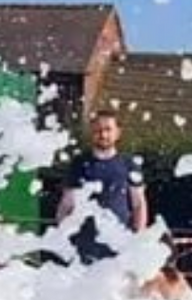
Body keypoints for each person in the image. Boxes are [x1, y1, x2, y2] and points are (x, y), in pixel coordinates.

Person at [55, 107, 148, 262]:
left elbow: (139, 204)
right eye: (98, 130)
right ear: (92, 132)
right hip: (84, 247)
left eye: (108, 129)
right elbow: (66, 204)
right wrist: (64, 237)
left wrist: (138, 239)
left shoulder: (129, 164)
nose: (103, 134)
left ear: (118, 133)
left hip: (119, 246)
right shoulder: (79, 164)